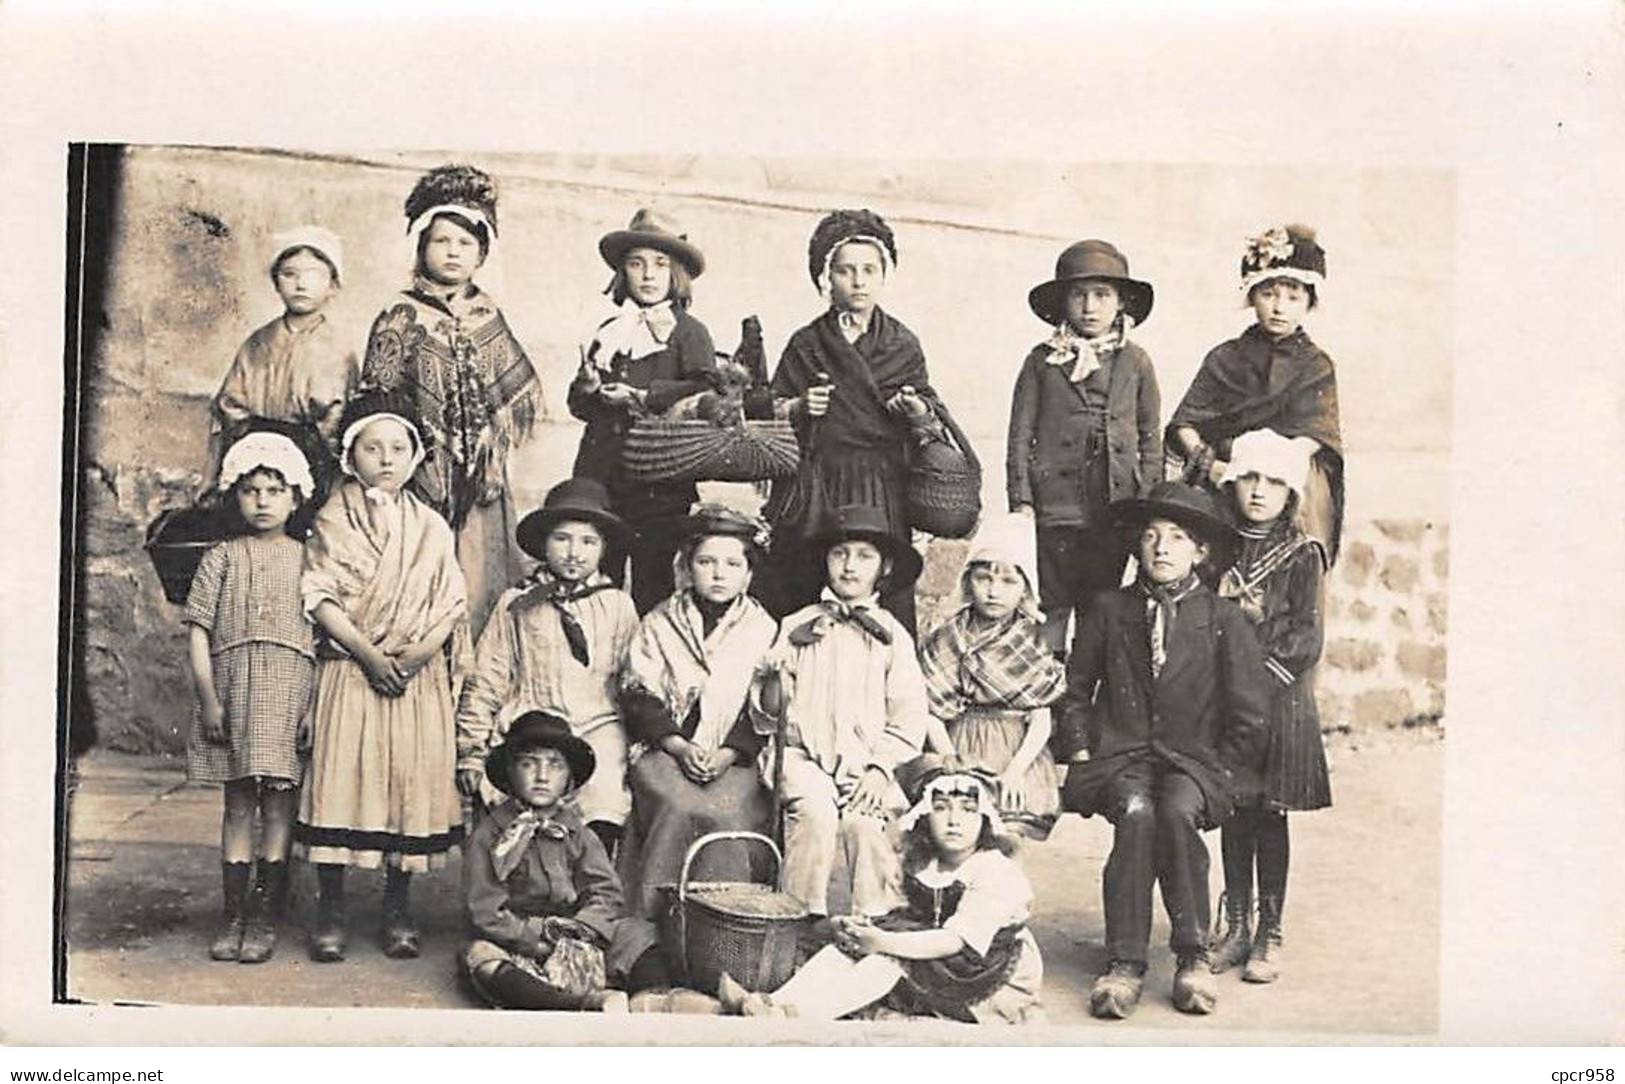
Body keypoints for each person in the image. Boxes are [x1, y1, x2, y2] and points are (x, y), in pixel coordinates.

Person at [1054, 481, 1271, 1019]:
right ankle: (1124, 962)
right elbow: (1075, 690)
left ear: (1200, 551)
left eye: (1177, 537)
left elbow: (1249, 710)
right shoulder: (1107, 609)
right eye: (1151, 536)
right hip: (1121, 757)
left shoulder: (1223, 620)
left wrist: (1221, 767)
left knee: (1175, 811)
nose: (1161, 547)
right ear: (1137, 547)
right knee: (1135, 813)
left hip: (1193, 762)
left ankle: (1192, 955)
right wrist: (1081, 750)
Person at [294, 391, 469, 962]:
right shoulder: (331, 517)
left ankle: (398, 908)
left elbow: (451, 600)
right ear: (351, 455)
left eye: (399, 448)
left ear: (417, 457)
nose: (386, 459)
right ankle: (331, 907)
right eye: (373, 448)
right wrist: (369, 655)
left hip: (415, 678)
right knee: (342, 781)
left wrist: (420, 654)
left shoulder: (433, 526)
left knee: (405, 786)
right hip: (354, 669)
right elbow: (319, 595)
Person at [716, 759, 1043, 1024]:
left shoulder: (995, 870)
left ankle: (799, 1017)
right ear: (925, 818)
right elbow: (900, 915)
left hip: (986, 968)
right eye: (942, 808)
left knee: (886, 959)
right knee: (845, 950)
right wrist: (862, 931)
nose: (954, 821)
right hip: (936, 951)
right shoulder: (924, 863)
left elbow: (954, 940)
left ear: (985, 818)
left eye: (968, 810)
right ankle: (772, 1003)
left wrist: (882, 942)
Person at [358, 164, 540, 640]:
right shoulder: (400, 314)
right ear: (421, 248)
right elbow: (378, 398)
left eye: (465, 243)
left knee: (480, 577)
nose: (453, 252)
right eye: (442, 241)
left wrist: (488, 443)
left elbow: (512, 397)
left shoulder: (486, 314)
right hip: (419, 476)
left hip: (479, 483)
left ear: (481, 254)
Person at [758, 209, 951, 635]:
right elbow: (770, 412)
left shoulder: (902, 344)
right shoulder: (806, 343)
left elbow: (927, 416)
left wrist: (914, 411)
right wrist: (800, 407)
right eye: (846, 271)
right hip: (818, 482)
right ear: (827, 278)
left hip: (881, 486)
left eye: (869, 270)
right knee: (807, 583)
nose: (858, 281)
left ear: (885, 274)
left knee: (876, 586)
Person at [752, 503, 930, 932]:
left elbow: (908, 716)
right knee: (815, 813)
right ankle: (798, 919)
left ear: (883, 567)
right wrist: (776, 675)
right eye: (840, 554)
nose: (850, 567)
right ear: (825, 561)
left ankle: (875, 922)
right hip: (801, 756)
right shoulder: (797, 625)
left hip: (866, 763)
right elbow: (769, 714)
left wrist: (879, 769)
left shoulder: (891, 636)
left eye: (864, 556)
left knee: (865, 823)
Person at [183, 432, 318, 963]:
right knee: (238, 803)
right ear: (235, 496)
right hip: (234, 691)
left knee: (279, 805)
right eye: (251, 490)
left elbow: (323, 640)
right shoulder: (221, 558)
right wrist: (210, 700)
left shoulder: (311, 560)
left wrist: (311, 708)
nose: (262, 501)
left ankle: (264, 917)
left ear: (295, 497)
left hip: (289, 691)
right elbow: (197, 630)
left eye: (274, 489)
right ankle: (233, 913)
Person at [456, 477, 639, 857]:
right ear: (544, 545)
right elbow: (487, 678)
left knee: (603, 791)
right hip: (530, 718)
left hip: (597, 724)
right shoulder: (518, 603)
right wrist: (471, 749)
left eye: (588, 542)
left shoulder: (618, 606)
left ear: (603, 549)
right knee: (524, 788)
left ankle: (587, 897)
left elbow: (634, 681)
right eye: (562, 539)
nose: (574, 553)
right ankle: (518, 896)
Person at [1208, 429, 1333, 984]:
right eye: (1250, 479)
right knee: (1234, 808)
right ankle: (1235, 924)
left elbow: (1305, 637)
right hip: (1229, 704)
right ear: (1233, 483)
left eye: (1274, 483)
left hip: (1279, 704)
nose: (1259, 492)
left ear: (1291, 494)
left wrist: (1254, 679)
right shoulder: (1216, 546)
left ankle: (1269, 929)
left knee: (1270, 812)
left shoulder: (1304, 554)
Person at [616, 501, 778, 918]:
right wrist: (678, 746)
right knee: (679, 807)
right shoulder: (659, 621)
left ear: (749, 573)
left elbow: (766, 706)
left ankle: (729, 923)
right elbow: (637, 692)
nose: (719, 573)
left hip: (735, 759)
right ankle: (653, 925)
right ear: (687, 567)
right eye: (706, 561)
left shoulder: (764, 629)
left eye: (731, 563)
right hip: (666, 751)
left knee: (729, 815)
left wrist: (727, 753)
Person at [1007, 239, 1163, 653]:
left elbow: (1151, 438)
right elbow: (1020, 434)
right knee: (1053, 604)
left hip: (1114, 506)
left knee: (1102, 604)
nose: (1090, 307)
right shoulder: (1041, 361)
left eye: (1102, 295)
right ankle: (1049, 700)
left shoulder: (1137, 362)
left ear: (1120, 303)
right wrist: (1022, 499)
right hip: (1056, 506)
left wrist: (1146, 501)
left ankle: (1089, 699)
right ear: (1063, 303)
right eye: (1079, 295)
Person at [461, 711, 668, 1011]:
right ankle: (575, 1003)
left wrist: (581, 931)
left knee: (639, 934)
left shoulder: (577, 832)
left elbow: (605, 892)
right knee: (481, 958)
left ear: (569, 779)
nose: (542, 776)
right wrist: (534, 941)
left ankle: (653, 1000)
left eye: (555, 765)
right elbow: (484, 910)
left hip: (576, 934)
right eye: (528, 763)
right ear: (509, 771)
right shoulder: (491, 835)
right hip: (520, 938)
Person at [568, 208, 718, 614]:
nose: (648, 275)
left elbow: (707, 389)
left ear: (677, 273)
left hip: (660, 479)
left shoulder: (689, 331)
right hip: (601, 474)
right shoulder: (610, 328)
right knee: (599, 576)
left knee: (653, 578)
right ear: (623, 273)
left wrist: (642, 396)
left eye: (660, 264)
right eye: (637, 264)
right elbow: (581, 406)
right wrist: (587, 389)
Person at [1165, 224, 1344, 564]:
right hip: (1224, 476)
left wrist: (1275, 468)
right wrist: (1210, 465)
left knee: (1294, 557)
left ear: (1309, 302)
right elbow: (1185, 423)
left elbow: (1315, 434)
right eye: (1268, 294)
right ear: (1251, 297)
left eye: (1293, 297)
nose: (1279, 307)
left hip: (1289, 479)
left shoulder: (1316, 365)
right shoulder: (1225, 357)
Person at [918, 514, 1067, 841]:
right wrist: (950, 759)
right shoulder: (949, 636)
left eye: (1008, 582)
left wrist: (1015, 770)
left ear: (1025, 589)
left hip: (1015, 749)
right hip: (959, 741)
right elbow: (929, 708)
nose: (993, 591)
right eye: (984, 579)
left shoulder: (1030, 641)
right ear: (968, 581)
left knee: (1005, 834)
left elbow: (1041, 716)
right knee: (953, 826)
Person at [203, 226, 358, 494]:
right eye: (289, 274)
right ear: (276, 282)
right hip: (255, 449)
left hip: (313, 455)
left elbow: (339, 420)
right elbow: (230, 404)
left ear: (332, 285)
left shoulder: (339, 350)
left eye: (314, 275)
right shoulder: (258, 342)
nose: (301, 284)